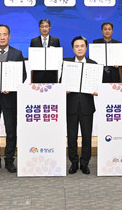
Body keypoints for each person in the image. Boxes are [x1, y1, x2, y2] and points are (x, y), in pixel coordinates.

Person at [0, 24, 27, 173]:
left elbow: (23, 75)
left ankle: (9, 160)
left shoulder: (17, 53)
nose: (2, 37)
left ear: (9, 36)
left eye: (5, 34)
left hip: (10, 98)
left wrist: (12, 86)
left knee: (11, 131)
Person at [64, 36, 98, 175]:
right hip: (71, 105)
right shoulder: (67, 64)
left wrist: (97, 90)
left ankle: (84, 163)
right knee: (71, 137)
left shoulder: (93, 64)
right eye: (77, 46)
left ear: (86, 48)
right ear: (73, 49)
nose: (79, 48)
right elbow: (61, 82)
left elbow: (98, 84)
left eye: (82, 46)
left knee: (87, 136)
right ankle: (73, 162)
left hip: (87, 106)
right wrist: (64, 88)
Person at [30, 18, 61, 83]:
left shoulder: (56, 41)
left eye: (46, 26)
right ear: (39, 28)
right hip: (37, 75)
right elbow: (32, 60)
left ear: (49, 27)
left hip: (52, 75)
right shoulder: (34, 41)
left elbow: (58, 59)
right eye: (42, 27)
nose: (44, 29)